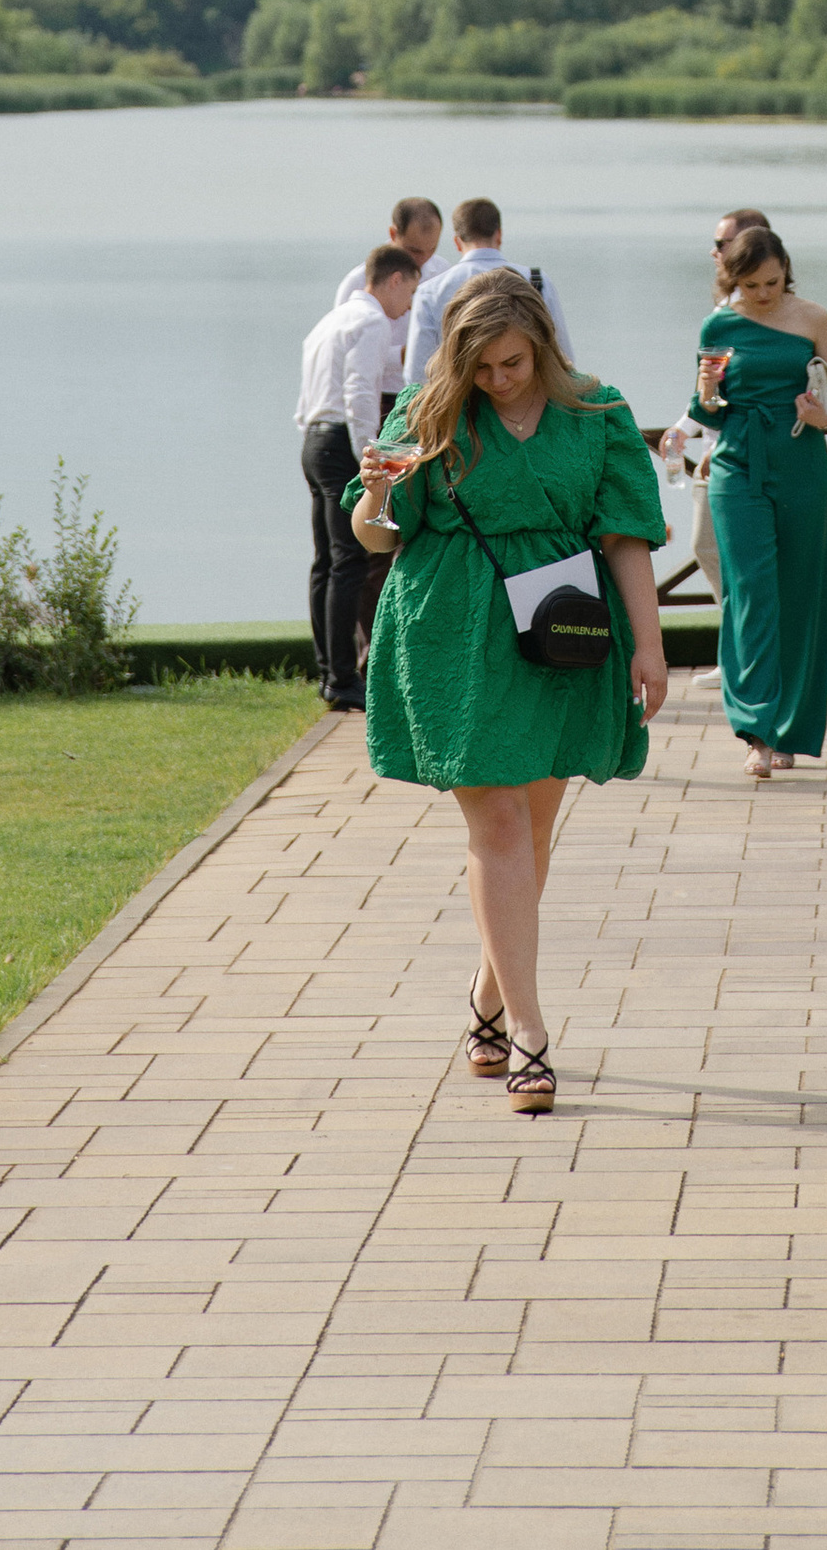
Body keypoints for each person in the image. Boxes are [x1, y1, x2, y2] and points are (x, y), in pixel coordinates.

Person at [350, 271, 668, 1113]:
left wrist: (651, 647)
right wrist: (379, 489)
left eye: (513, 364)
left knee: (532, 824)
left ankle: (488, 999)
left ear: (542, 345)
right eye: (482, 367)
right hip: (452, 635)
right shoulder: (428, 411)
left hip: (561, 631)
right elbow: (375, 533)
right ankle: (531, 1033)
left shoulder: (597, 412)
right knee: (496, 821)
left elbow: (628, 535)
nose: (498, 380)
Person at [691, 223, 827, 782]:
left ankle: (791, 731)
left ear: (786, 271)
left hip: (803, 463)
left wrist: (818, 414)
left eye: (773, 282)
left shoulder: (813, 318)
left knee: (802, 595)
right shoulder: (718, 323)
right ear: (734, 280)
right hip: (738, 466)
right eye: (752, 285)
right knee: (750, 594)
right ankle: (756, 731)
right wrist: (707, 395)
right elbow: (709, 409)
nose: (764, 294)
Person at [296, 242, 421, 706]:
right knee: (348, 562)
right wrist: (373, 457)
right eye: (409, 292)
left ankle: (330, 672)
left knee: (325, 562)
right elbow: (361, 392)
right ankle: (344, 679)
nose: (407, 306)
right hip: (344, 442)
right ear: (395, 279)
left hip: (313, 438)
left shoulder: (327, 322)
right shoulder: (370, 322)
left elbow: (309, 396)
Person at [402, 197, 571, 385]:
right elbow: (563, 357)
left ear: (457, 242)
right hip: (527, 403)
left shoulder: (430, 291)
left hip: (460, 405)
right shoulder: (537, 280)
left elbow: (417, 374)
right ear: (499, 234)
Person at [335, 196, 445, 306]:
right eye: (414, 251)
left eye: (432, 249)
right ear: (393, 234)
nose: (424, 259)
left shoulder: (444, 273)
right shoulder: (357, 283)